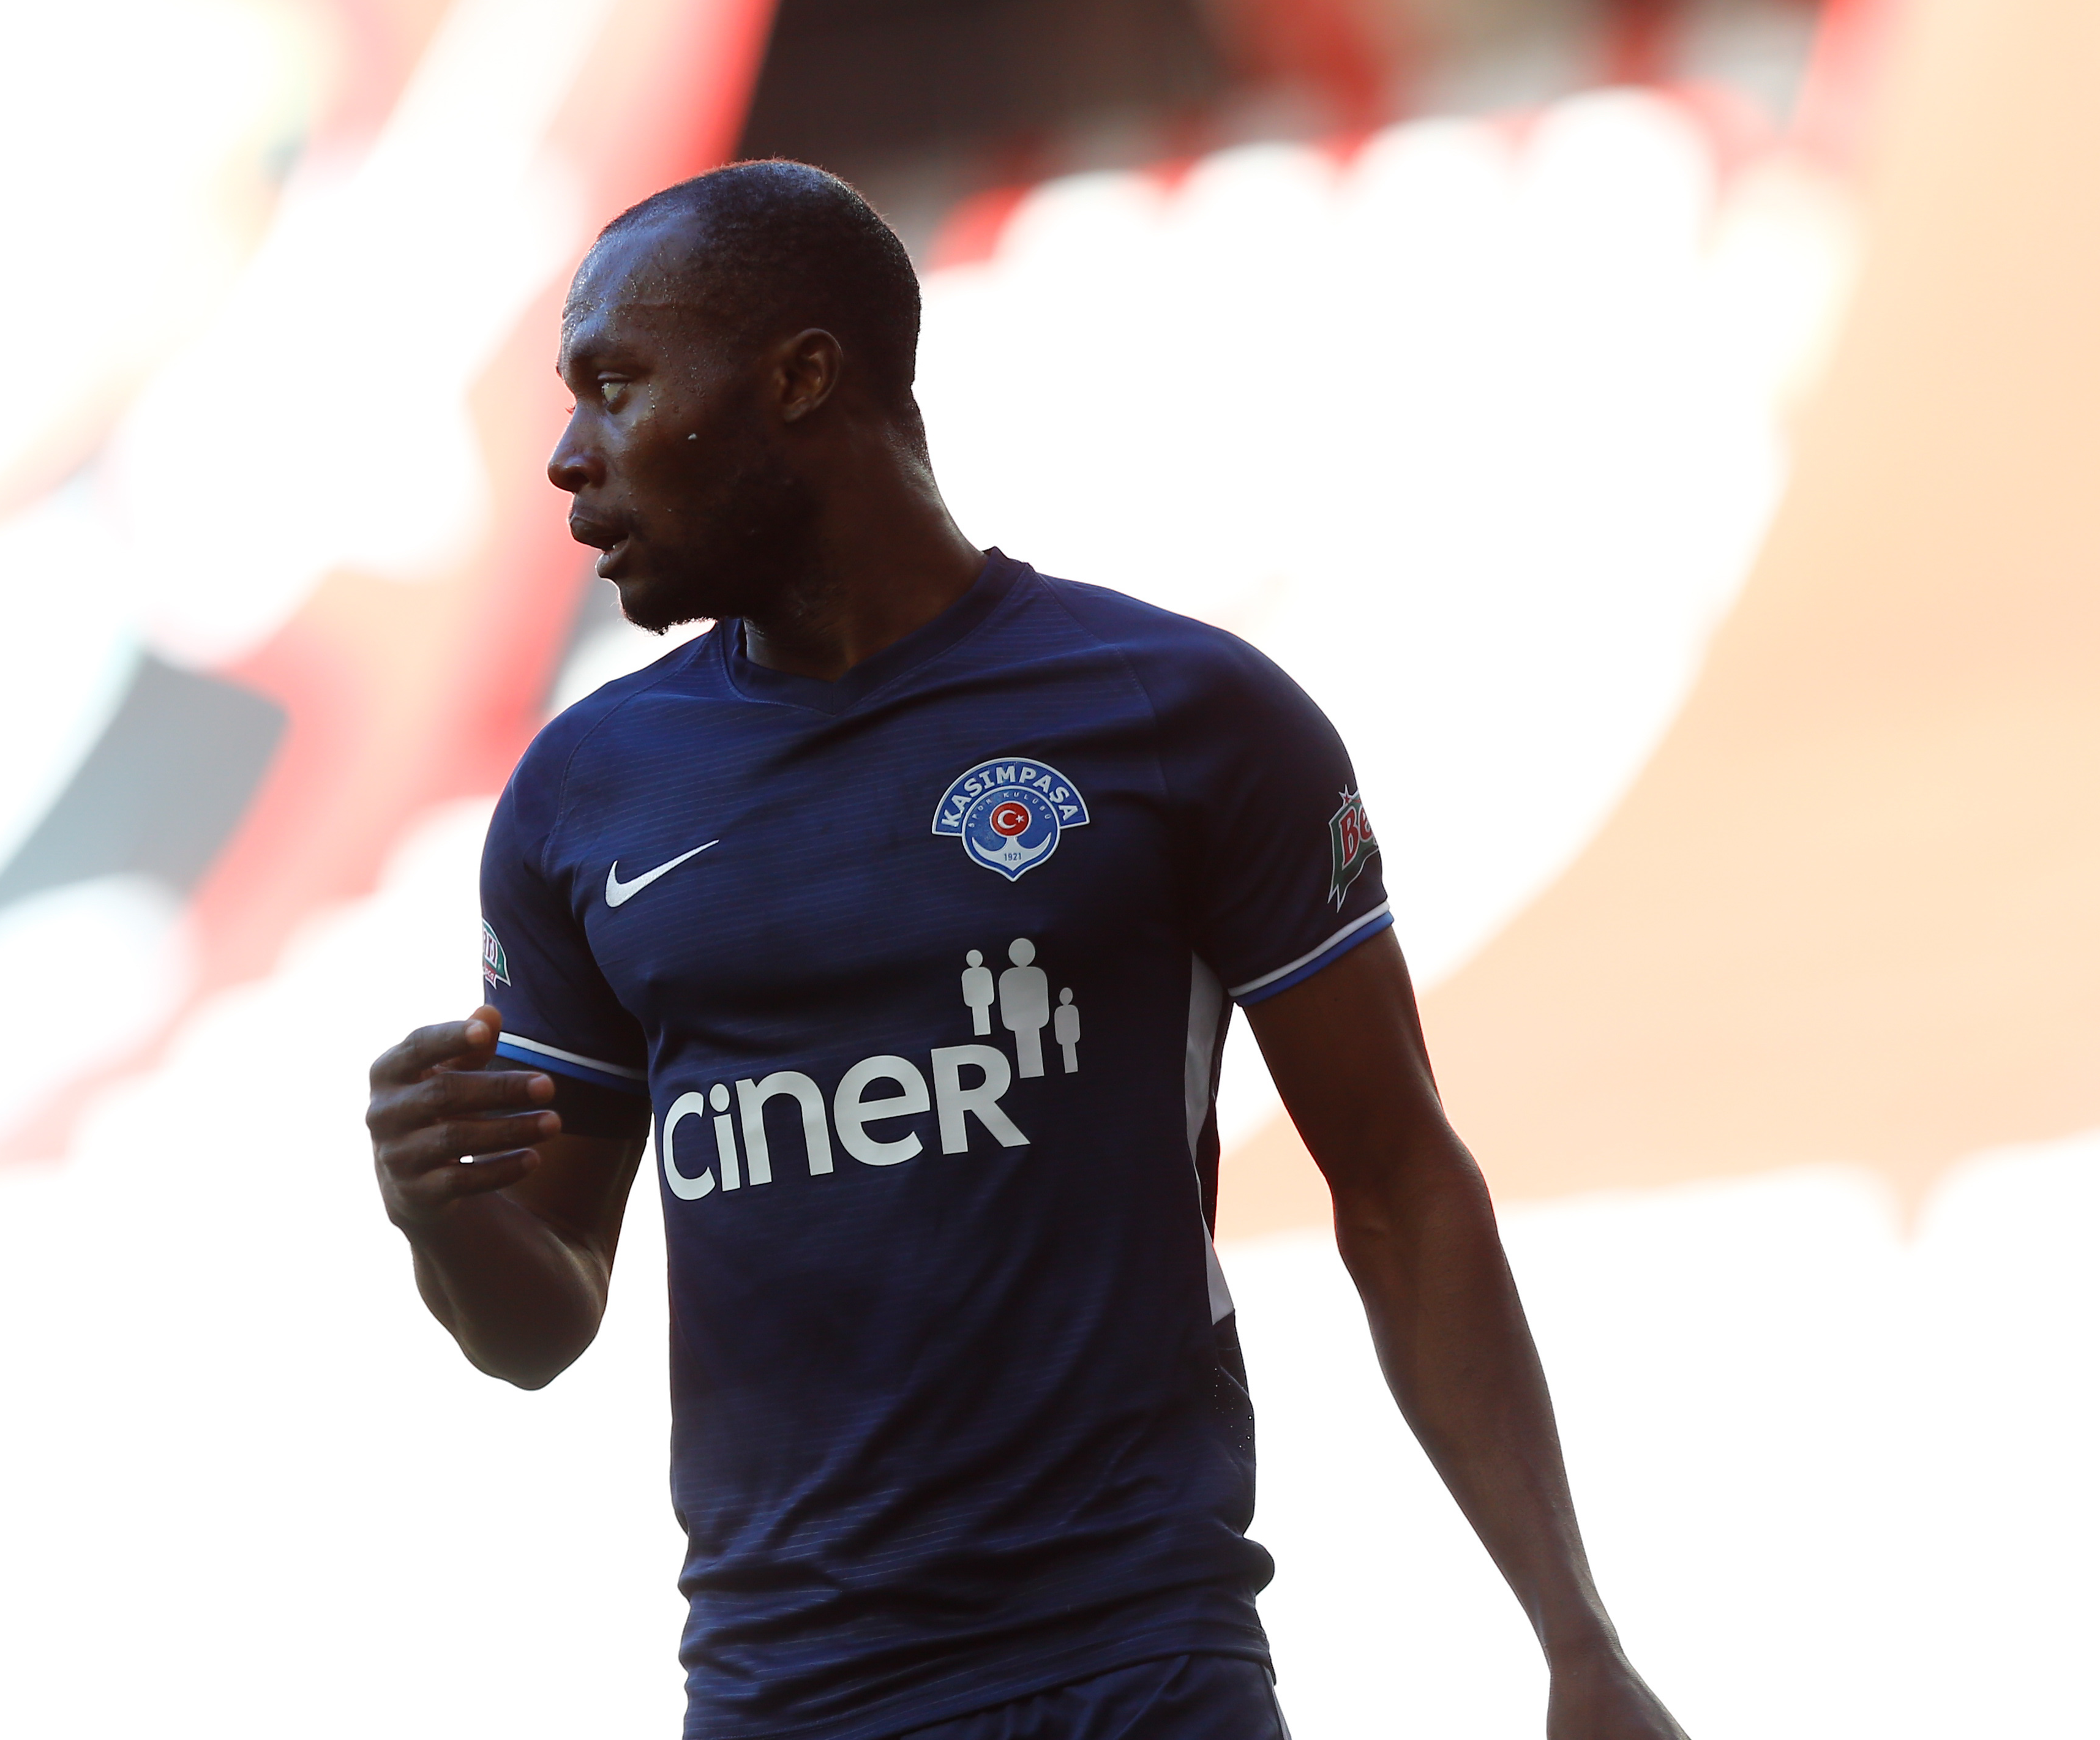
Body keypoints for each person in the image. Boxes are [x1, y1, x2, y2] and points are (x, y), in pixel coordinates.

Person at [364, 160, 1687, 1740]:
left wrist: (1578, 1641)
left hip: (1141, 1668)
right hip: (788, 1696)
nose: (571, 455)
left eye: (617, 385)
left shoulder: (1184, 717)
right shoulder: (582, 797)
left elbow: (1403, 1189)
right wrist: (441, 1211)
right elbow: (536, 1326)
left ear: (801, 377)